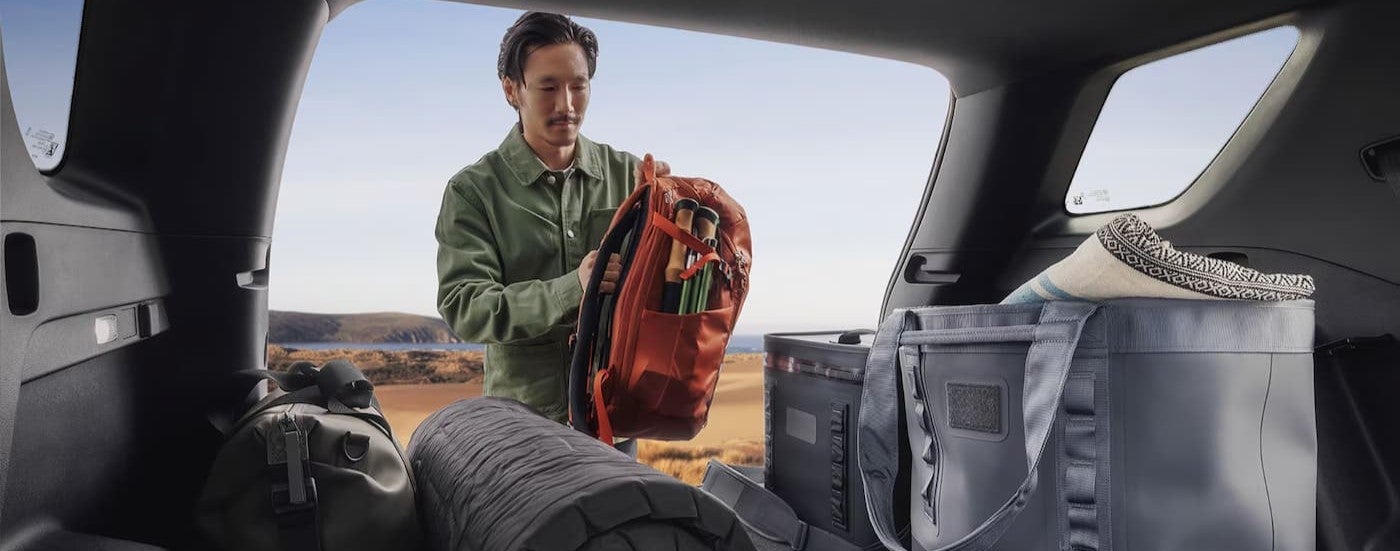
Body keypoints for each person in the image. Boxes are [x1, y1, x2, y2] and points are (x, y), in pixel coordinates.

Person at [434, 11, 667, 455]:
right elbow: (464, 306)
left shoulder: (630, 176)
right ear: (511, 89)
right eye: (547, 87)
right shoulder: (472, 192)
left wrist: (669, 213)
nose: (567, 104)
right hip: (522, 431)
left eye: (579, 86)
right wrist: (573, 288)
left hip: (613, 426)